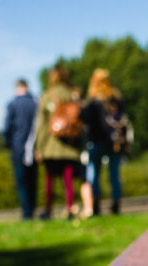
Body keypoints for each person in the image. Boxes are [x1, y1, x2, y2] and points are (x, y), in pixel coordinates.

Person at [34, 65, 84, 220]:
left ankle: (48, 209)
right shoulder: (73, 95)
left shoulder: (48, 95)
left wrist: (39, 147)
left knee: (49, 179)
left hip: (51, 144)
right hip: (70, 145)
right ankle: (70, 208)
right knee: (68, 180)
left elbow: (42, 125)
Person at [82, 69, 127, 216]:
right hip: (114, 142)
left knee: (94, 174)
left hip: (96, 141)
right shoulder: (117, 99)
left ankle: (96, 204)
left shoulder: (93, 101)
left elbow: (86, 121)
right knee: (114, 175)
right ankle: (116, 204)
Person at [3, 78, 37, 220]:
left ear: (17, 88)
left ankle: (26, 212)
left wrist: (8, 144)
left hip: (18, 146)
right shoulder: (36, 103)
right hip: (34, 147)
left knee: (21, 181)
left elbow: (7, 128)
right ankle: (32, 209)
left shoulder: (13, 104)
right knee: (32, 180)